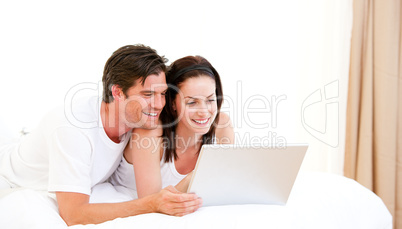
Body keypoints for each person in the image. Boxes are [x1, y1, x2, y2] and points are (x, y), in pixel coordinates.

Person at [0, 45, 202, 226]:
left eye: (162, 94)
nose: (158, 104)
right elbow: (74, 215)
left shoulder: (139, 118)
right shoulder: (73, 127)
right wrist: (150, 204)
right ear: (118, 92)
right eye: (147, 95)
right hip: (10, 179)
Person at [110, 55, 234, 198]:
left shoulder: (221, 125)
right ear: (173, 103)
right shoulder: (149, 133)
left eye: (210, 100)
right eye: (192, 103)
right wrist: (199, 174)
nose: (204, 111)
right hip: (126, 205)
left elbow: (228, 182)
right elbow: (153, 203)